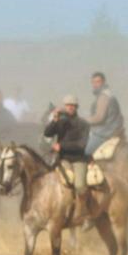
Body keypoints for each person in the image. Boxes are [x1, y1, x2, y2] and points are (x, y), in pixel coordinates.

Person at [44, 94, 92, 222]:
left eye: (73, 105)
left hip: (78, 159)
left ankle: (83, 213)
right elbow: (47, 133)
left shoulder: (84, 124)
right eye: (68, 105)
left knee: (80, 185)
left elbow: (81, 145)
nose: (70, 107)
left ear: (76, 107)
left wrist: (62, 146)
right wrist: (54, 119)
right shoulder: (60, 121)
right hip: (63, 159)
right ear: (65, 107)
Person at [86, 72, 124, 155]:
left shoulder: (104, 96)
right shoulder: (110, 95)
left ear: (103, 82)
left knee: (84, 152)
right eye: (93, 82)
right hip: (112, 131)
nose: (95, 84)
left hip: (103, 133)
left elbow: (99, 117)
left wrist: (82, 120)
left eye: (98, 82)